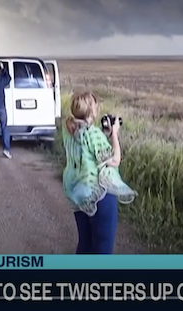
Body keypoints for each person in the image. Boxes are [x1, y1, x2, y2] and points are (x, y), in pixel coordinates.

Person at [62, 91, 137, 254]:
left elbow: (87, 147)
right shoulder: (93, 133)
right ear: (91, 110)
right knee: (102, 247)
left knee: (85, 244)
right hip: (99, 194)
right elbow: (115, 160)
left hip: (78, 193)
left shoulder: (68, 128)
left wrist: (104, 135)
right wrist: (114, 134)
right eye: (96, 105)